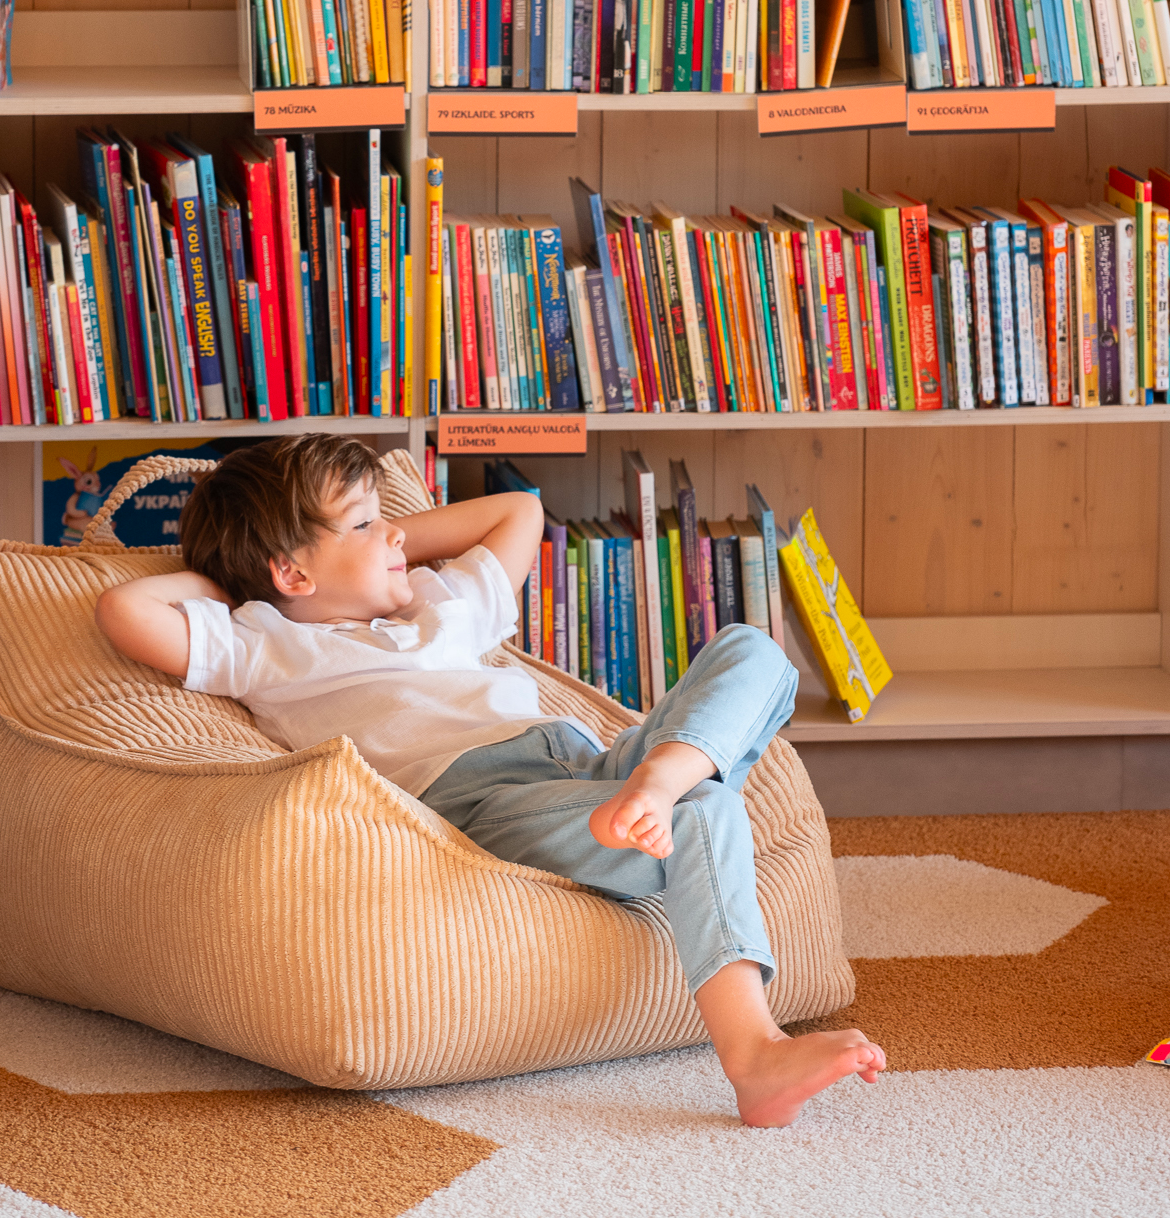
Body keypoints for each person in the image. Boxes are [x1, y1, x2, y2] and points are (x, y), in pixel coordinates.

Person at [94, 434, 884, 1127]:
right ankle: (754, 1057)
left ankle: (663, 777)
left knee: (754, 649)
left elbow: (518, 511)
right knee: (706, 813)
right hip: (484, 799)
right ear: (290, 572)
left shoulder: (440, 604)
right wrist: (235, 583)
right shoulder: (262, 643)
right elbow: (125, 609)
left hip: (592, 766)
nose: (399, 531)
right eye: (368, 522)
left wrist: (379, 551)